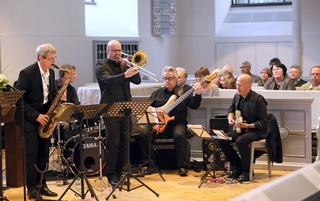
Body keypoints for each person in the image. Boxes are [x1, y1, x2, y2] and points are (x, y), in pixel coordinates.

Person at [15, 43, 58, 199]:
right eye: (50, 59)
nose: (53, 62)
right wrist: (36, 116)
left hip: (45, 118)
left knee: (43, 154)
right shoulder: (27, 73)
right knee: (32, 154)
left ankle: (42, 185)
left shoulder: (51, 73)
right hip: (30, 119)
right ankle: (32, 188)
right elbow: (18, 100)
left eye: (54, 59)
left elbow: (50, 95)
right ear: (40, 58)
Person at [141, 66, 202, 176]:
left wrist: (198, 94)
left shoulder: (185, 91)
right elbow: (147, 108)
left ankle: (182, 166)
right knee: (143, 133)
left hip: (177, 123)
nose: (167, 81)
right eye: (165, 78)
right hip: (160, 124)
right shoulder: (157, 93)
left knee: (179, 135)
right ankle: (151, 165)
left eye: (170, 78)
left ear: (176, 79)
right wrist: (154, 120)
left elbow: (194, 105)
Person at [96, 40, 141, 187]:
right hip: (110, 110)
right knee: (113, 144)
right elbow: (108, 81)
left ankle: (121, 171)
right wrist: (124, 75)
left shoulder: (123, 65)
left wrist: (132, 66)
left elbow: (137, 81)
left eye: (119, 50)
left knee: (125, 143)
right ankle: (111, 174)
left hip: (125, 108)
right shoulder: (101, 66)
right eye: (114, 50)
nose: (118, 53)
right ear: (107, 51)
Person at [218, 74, 268, 182]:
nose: (237, 87)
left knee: (241, 141)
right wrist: (230, 118)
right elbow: (231, 110)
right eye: (236, 85)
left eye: (240, 85)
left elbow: (263, 123)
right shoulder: (237, 96)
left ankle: (247, 171)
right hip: (242, 129)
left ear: (248, 86)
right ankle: (237, 166)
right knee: (222, 139)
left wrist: (247, 125)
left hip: (257, 131)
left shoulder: (258, 100)